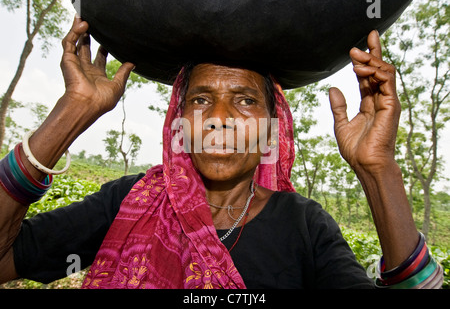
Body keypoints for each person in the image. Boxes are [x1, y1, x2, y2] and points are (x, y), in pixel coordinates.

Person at [0, 17, 443, 289]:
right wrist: (73, 111)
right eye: (200, 99)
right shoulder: (130, 201)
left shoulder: (303, 225)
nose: (221, 117)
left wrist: (378, 169)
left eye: (246, 100)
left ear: (273, 131)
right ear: (179, 121)